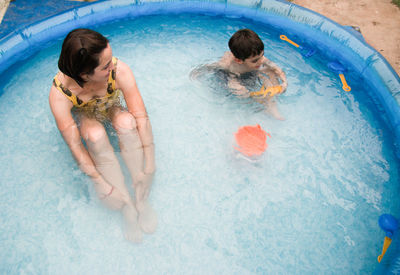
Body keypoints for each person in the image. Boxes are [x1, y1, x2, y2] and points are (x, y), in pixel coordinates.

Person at [49, 28, 157, 243]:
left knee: (127, 123)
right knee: (95, 135)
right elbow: (75, 146)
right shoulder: (60, 95)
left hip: (111, 105)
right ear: (84, 75)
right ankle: (126, 203)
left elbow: (141, 118)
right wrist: (98, 181)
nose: (113, 65)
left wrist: (150, 166)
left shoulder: (119, 70)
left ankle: (140, 191)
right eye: (105, 65)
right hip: (86, 114)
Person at [191, 28, 288, 120]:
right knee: (241, 92)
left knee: (270, 71)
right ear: (239, 60)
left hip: (250, 72)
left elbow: (277, 69)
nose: (261, 61)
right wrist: (196, 74)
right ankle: (255, 106)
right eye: (255, 61)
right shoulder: (226, 64)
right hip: (230, 76)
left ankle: (271, 106)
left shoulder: (255, 56)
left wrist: (284, 83)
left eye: (262, 55)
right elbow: (210, 67)